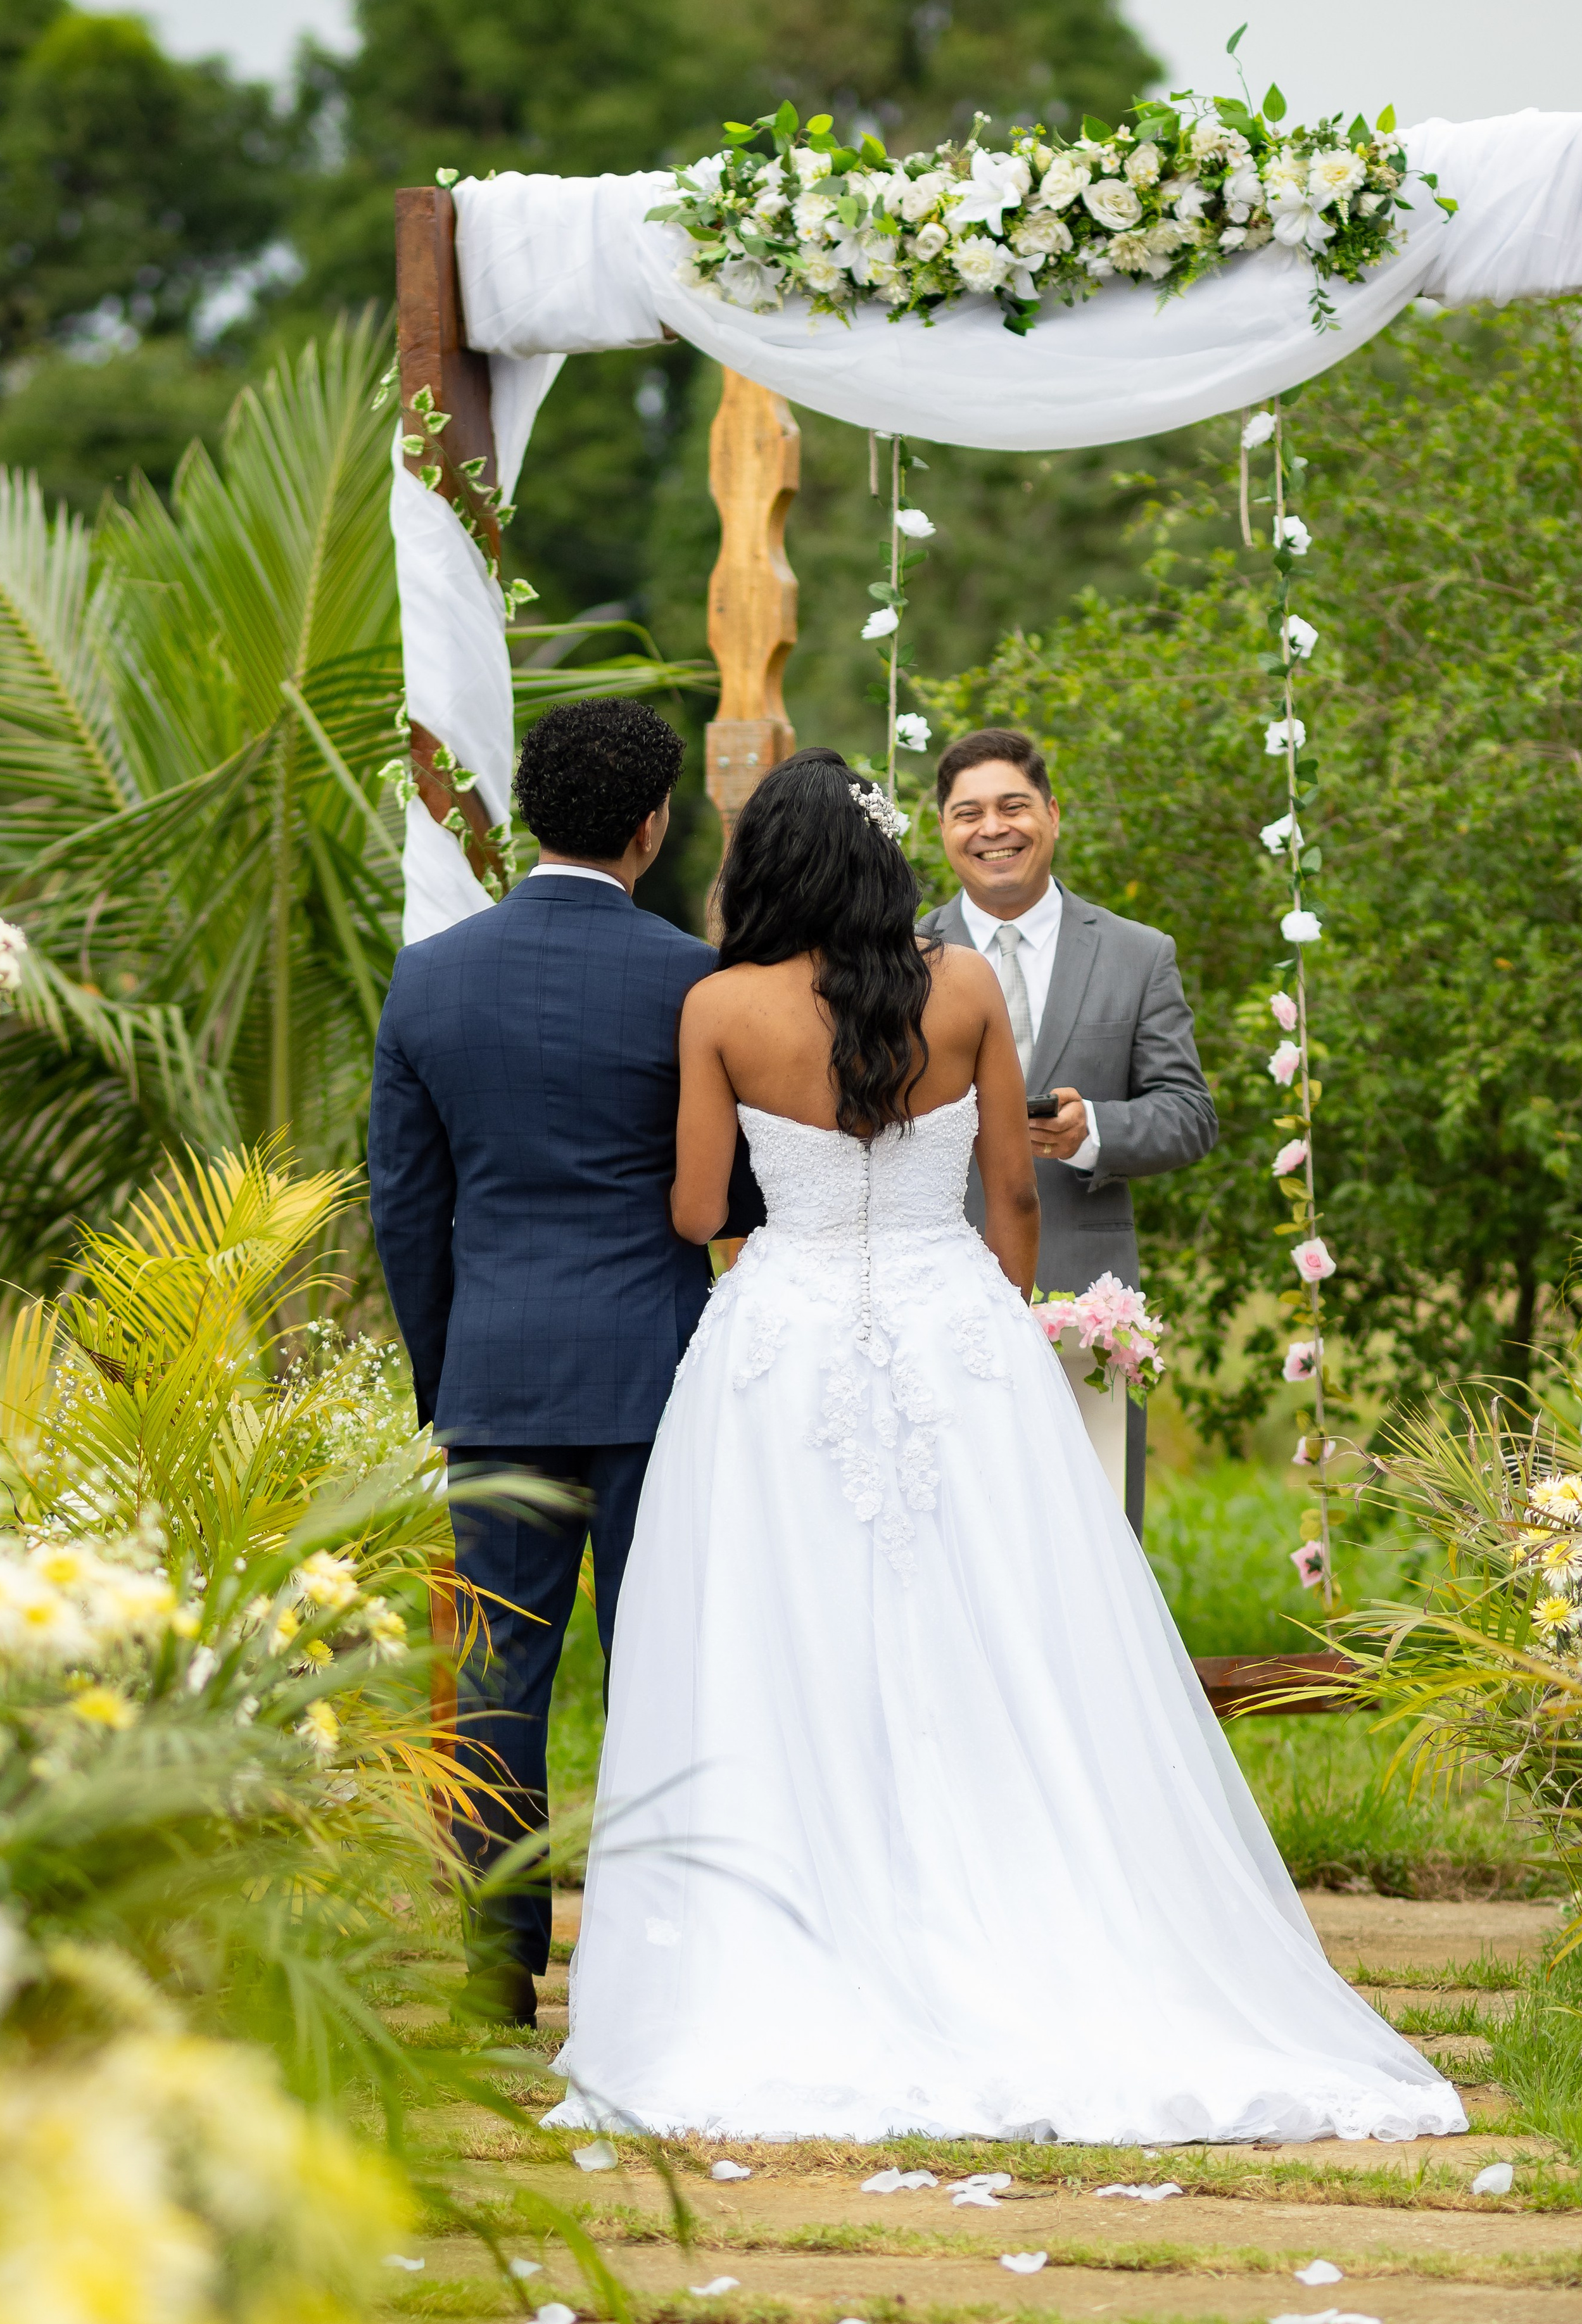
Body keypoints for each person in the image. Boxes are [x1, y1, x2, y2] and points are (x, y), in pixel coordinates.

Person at [545, 748, 1463, 2147]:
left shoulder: (718, 1005)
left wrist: (790, 1188)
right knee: (1001, 1632)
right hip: (954, 1334)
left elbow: (689, 1213)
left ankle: (798, 1923)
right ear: (883, 857)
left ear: (763, 871)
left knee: (777, 1638)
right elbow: (1013, 1193)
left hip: (780, 1350)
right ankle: (1030, 1906)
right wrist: (998, 1308)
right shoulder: (962, 987)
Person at [367, 698, 761, 2027]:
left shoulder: (429, 978)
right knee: (666, 1663)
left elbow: (405, 1210)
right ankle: (662, 1962)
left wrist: (449, 1376)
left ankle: (496, 1969)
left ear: (529, 814)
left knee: (494, 1682)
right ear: (652, 827)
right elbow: (740, 1190)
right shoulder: (690, 983)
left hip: (496, 1379)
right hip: (659, 1374)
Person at [917, 728, 1217, 1537]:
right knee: (954, 1535)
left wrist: (1095, 1133)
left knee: (1094, 1539)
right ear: (941, 830)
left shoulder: (1137, 953)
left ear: (1051, 814)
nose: (993, 829)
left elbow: (1190, 1115)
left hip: (1087, 1304)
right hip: (935, 1297)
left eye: (1013, 807)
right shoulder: (900, 957)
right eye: (966, 813)